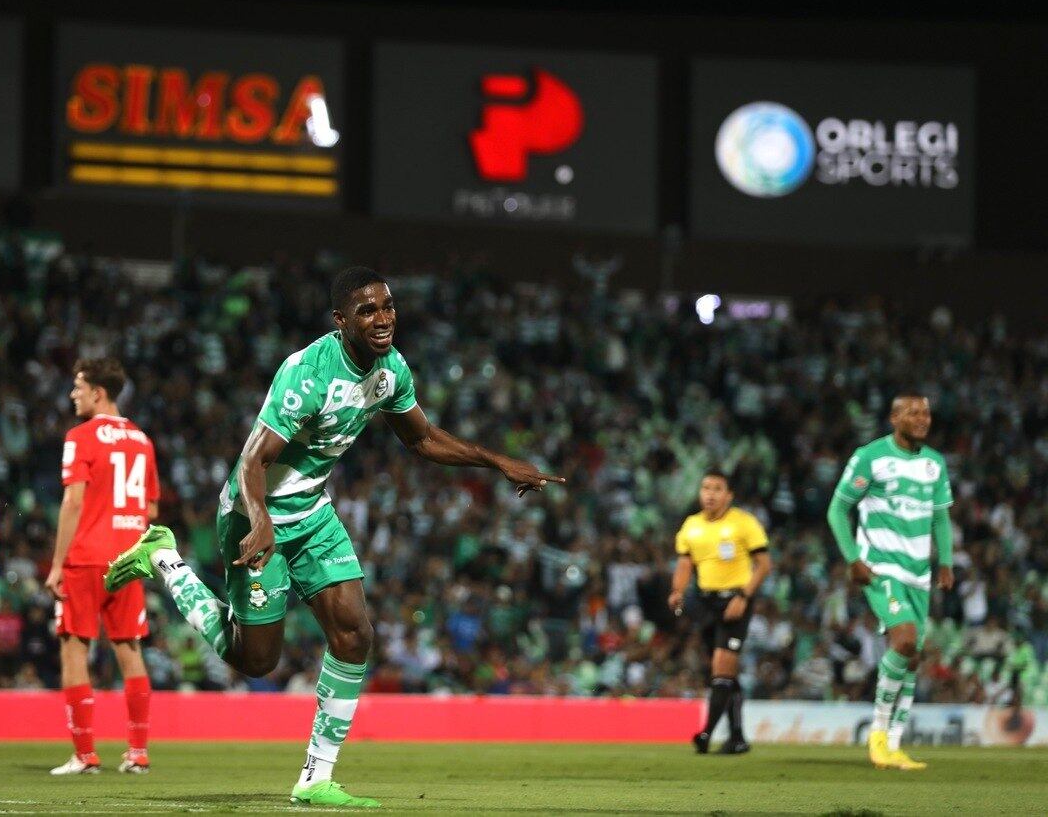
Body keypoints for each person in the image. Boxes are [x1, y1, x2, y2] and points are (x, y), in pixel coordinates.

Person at [105, 267, 563, 808]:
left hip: (313, 515)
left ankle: (316, 777)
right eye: (367, 310)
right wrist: (261, 521)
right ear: (341, 320)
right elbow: (255, 460)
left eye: (387, 306)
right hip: (255, 513)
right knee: (255, 661)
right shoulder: (308, 375)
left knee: (355, 635)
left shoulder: (391, 369)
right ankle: (166, 560)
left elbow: (421, 438)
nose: (383, 318)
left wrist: (497, 462)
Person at [826, 393, 954, 771]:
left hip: (918, 573)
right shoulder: (870, 457)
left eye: (926, 413)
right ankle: (878, 732)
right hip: (881, 568)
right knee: (904, 640)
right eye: (913, 413)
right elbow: (837, 509)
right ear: (894, 417)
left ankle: (895, 745)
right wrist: (853, 559)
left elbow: (941, 518)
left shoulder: (934, 464)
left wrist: (945, 561)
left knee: (912, 657)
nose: (922, 419)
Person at [43, 358, 159, 775]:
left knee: (74, 648)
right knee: (130, 650)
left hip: (86, 557)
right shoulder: (142, 440)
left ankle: (86, 753)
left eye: (78, 387)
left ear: (98, 392)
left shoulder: (80, 437)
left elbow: (73, 500)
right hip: (128, 559)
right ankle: (138, 752)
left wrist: (57, 564)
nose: (73, 394)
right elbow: (150, 505)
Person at [668, 470, 771, 755]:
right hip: (705, 603)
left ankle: (706, 734)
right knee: (720, 674)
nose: (710, 494)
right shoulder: (692, 525)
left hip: (735, 600)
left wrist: (744, 596)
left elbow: (763, 564)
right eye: (705, 488)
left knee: (722, 669)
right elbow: (685, 564)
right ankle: (737, 737)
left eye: (717, 488)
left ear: (729, 495)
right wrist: (677, 591)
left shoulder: (744, 523)